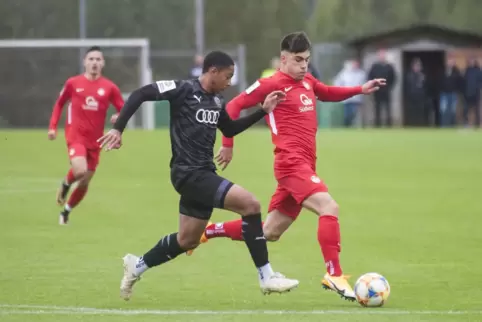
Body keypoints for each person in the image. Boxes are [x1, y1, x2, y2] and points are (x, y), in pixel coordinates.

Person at [190, 32, 385, 301]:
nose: (304, 65)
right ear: (284, 59)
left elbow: (326, 92)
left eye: (306, 59)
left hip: (305, 165)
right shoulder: (269, 84)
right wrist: (228, 143)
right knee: (329, 207)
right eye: (298, 60)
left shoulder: (307, 80)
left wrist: (359, 89)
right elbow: (233, 106)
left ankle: (208, 231)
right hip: (290, 164)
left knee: (269, 231)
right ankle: (334, 274)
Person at [97, 51, 299, 301]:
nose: (229, 82)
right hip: (188, 173)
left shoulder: (216, 100)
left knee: (188, 240)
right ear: (212, 71)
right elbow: (141, 94)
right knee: (251, 205)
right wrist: (118, 129)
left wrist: (263, 111)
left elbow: (230, 128)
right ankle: (266, 276)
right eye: (227, 76)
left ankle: (136, 266)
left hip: (203, 173)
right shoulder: (182, 89)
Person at [48, 46, 124, 225]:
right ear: (84, 62)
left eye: (98, 59)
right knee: (80, 170)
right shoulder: (73, 83)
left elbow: (125, 108)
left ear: (103, 63)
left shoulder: (109, 87)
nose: (94, 63)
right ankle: (66, 183)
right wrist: (53, 127)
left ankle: (66, 212)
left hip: (96, 140)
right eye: (91, 59)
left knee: (84, 181)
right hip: (76, 135)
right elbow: (59, 104)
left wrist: (119, 117)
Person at [368, 49, 396, 127]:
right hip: (377, 90)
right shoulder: (375, 66)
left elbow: (393, 78)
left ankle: (389, 125)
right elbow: (370, 77)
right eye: (380, 55)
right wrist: (373, 86)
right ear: (378, 56)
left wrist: (389, 87)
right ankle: (377, 125)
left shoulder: (389, 66)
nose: (382, 56)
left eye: (383, 55)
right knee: (377, 108)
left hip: (386, 90)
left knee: (388, 108)